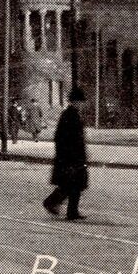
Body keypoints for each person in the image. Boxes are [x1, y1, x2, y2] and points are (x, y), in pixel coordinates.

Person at [43, 87, 89, 220]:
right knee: (71, 184)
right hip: (70, 157)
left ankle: (71, 211)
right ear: (74, 102)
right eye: (80, 102)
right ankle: (53, 203)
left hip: (74, 156)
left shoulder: (73, 114)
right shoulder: (69, 115)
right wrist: (69, 155)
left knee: (74, 184)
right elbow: (62, 137)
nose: (81, 104)